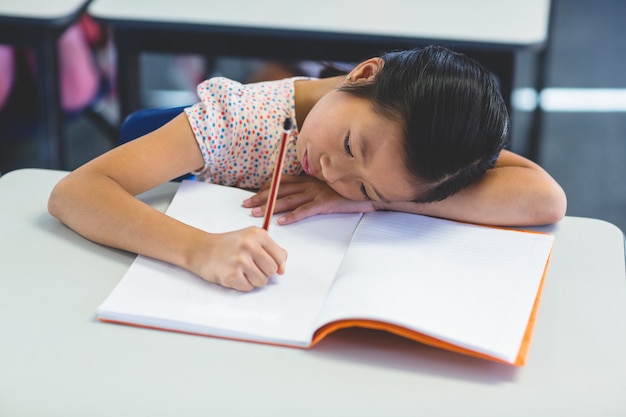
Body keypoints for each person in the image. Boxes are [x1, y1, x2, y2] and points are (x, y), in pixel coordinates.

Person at [48, 45, 567, 292]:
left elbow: (545, 200)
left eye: (363, 181)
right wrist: (198, 249)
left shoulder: (410, 153)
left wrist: (373, 197)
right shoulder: (241, 118)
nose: (331, 173)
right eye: (348, 144)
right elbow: (77, 192)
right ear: (364, 74)